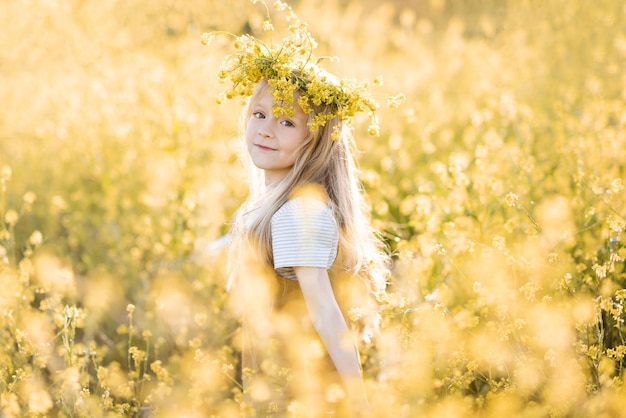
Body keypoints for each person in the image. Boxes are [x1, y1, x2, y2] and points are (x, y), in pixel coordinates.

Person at [203, 2, 402, 415]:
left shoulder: (299, 212)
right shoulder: (281, 205)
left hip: (300, 391)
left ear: (316, 142)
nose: (266, 128)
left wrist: (360, 402)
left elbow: (326, 310)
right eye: (259, 113)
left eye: (286, 122)